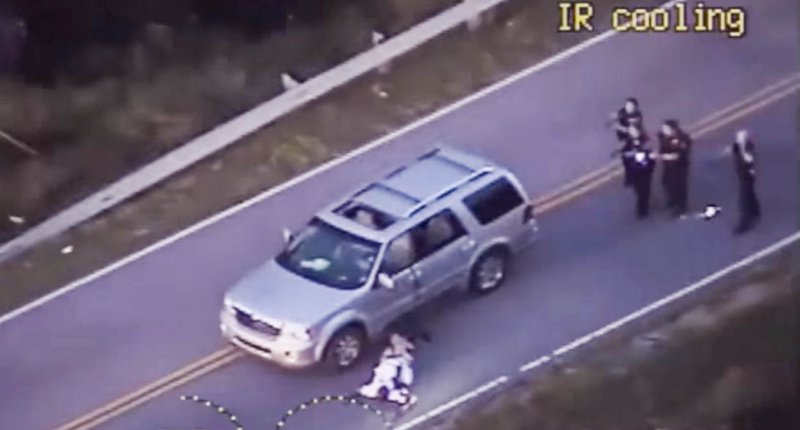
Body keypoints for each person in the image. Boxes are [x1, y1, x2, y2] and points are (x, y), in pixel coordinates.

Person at [358, 333, 418, 409]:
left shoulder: (373, 390)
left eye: (380, 392)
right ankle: (406, 343)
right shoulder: (399, 386)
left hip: (388, 360)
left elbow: (362, 390)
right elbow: (408, 398)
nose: (382, 391)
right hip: (399, 360)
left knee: (394, 342)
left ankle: (403, 342)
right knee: (396, 342)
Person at [657, 119, 692, 217]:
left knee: (679, 186)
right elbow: (662, 147)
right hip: (668, 166)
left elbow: (677, 156)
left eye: (666, 129)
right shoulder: (662, 136)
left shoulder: (683, 139)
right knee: (666, 182)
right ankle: (672, 200)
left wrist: (661, 156)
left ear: (673, 129)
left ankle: (681, 207)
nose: (663, 130)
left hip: (680, 166)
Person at [729, 130, 761, 234]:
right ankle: (755, 211)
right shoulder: (738, 146)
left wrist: (742, 148)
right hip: (743, 174)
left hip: (747, 175)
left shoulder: (748, 147)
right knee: (750, 194)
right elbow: (734, 151)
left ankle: (745, 221)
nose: (738, 140)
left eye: (740, 138)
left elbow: (748, 159)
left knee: (744, 198)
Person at [628, 146, 657, 218]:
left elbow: (651, 163)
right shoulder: (633, 155)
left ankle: (645, 208)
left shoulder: (646, 153)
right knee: (641, 193)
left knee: (646, 192)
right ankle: (641, 210)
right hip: (638, 177)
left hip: (645, 176)